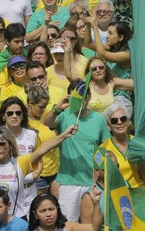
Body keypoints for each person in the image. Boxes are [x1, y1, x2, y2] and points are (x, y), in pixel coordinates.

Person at [43, 79, 111, 221]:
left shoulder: (99, 119)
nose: (81, 98)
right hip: (69, 182)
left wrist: (100, 177)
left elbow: (104, 149)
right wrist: (58, 108)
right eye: (77, 95)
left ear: (89, 96)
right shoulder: (64, 115)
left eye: (84, 94)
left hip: (92, 182)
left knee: (92, 224)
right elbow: (47, 122)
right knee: (69, 224)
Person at [0, 96, 42, 216]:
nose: (14, 116)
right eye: (10, 113)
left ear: (22, 115)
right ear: (3, 116)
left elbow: (39, 160)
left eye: (18, 113)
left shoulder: (32, 135)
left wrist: (37, 173)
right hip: (6, 191)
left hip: (29, 190)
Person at [100, 104, 145, 189]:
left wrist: (139, 158)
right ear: (108, 126)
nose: (119, 122)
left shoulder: (138, 143)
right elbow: (102, 183)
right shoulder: (103, 149)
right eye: (114, 120)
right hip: (119, 197)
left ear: (128, 121)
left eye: (123, 119)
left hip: (141, 195)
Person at [28, 191, 103, 231]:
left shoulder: (68, 227)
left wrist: (96, 203)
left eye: (51, 209)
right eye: (43, 211)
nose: (48, 214)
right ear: (35, 214)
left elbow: (95, 229)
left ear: (57, 209)